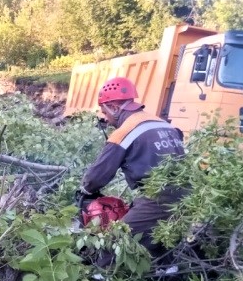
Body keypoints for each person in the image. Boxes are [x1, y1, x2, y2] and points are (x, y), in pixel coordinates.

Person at [79, 77, 186, 269]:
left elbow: (98, 175)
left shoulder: (126, 130)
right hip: (188, 194)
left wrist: (85, 191)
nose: (105, 118)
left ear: (113, 106)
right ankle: (168, 277)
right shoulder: (161, 123)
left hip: (160, 196)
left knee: (116, 241)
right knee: (158, 241)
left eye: (105, 112)